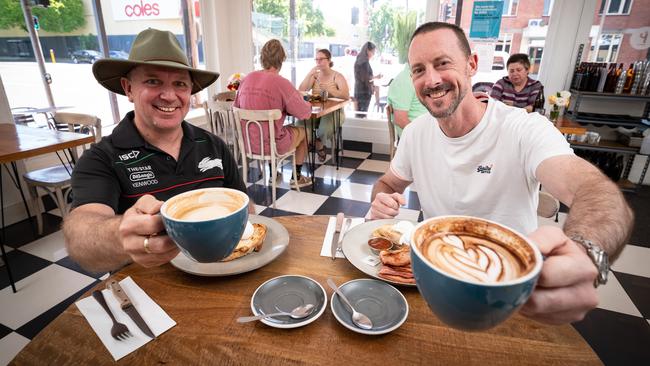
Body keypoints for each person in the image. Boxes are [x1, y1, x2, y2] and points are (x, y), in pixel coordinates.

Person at [370, 22, 634, 325]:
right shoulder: (416, 133)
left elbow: (597, 191)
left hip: (513, 300)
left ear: (472, 65)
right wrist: (381, 200)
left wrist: (586, 252)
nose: (431, 80)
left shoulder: (523, 129)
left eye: (442, 63)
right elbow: (388, 183)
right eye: (418, 69)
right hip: (434, 285)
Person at [62, 29, 249, 272]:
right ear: (128, 88)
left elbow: (246, 208)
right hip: (146, 292)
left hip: (221, 273)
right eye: (153, 81)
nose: (169, 95)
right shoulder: (101, 158)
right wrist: (120, 234)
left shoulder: (213, 145)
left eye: (180, 84)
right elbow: (81, 236)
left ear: (190, 91)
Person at [234, 39, 312, 186]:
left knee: (270, 129)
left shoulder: (246, 79)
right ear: (281, 60)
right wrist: (306, 102)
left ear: (262, 58)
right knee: (304, 132)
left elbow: (236, 107)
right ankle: (297, 178)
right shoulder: (281, 83)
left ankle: (273, 175)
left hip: (248, 143)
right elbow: (304, 113)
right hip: (272, 145)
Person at [298, 49, 350, 162]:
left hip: (334, 112)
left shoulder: (337, 76)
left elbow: (346, 96)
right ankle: (304, 151)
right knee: (301, 123)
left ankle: (318, 144)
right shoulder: (315, 76)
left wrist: (329, 90)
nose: (318, 62)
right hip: (317, 111)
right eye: (316, 59)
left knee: (323, 129)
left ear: (329, 60)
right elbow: (301, 90)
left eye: (321, 59)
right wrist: (309, 74)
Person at [387, 64, 428, 138]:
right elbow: (400, 119)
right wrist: (423, 137)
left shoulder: (417, 77)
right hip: (416, 138)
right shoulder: (404, 80)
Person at [354, 41, 382, 118]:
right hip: (363, 93)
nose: (373, 54)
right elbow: (365, 78)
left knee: (359, 116)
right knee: (361, 116)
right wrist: (376, 77)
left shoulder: (360, 60)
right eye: (373, 51)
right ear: (367, 50)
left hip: (360, 91)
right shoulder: (363, 62)